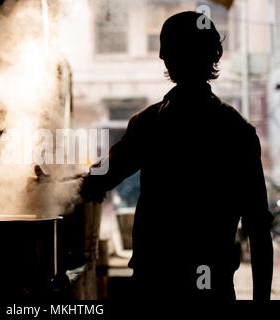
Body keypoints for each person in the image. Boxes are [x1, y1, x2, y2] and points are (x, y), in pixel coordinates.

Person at [34, 11, 273, 300]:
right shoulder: (238, 131)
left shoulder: (148, 124)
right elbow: (258, 229)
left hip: (155, 283)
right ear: (214, 57)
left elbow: (100, 179)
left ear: (165, 58)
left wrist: (52, 187)